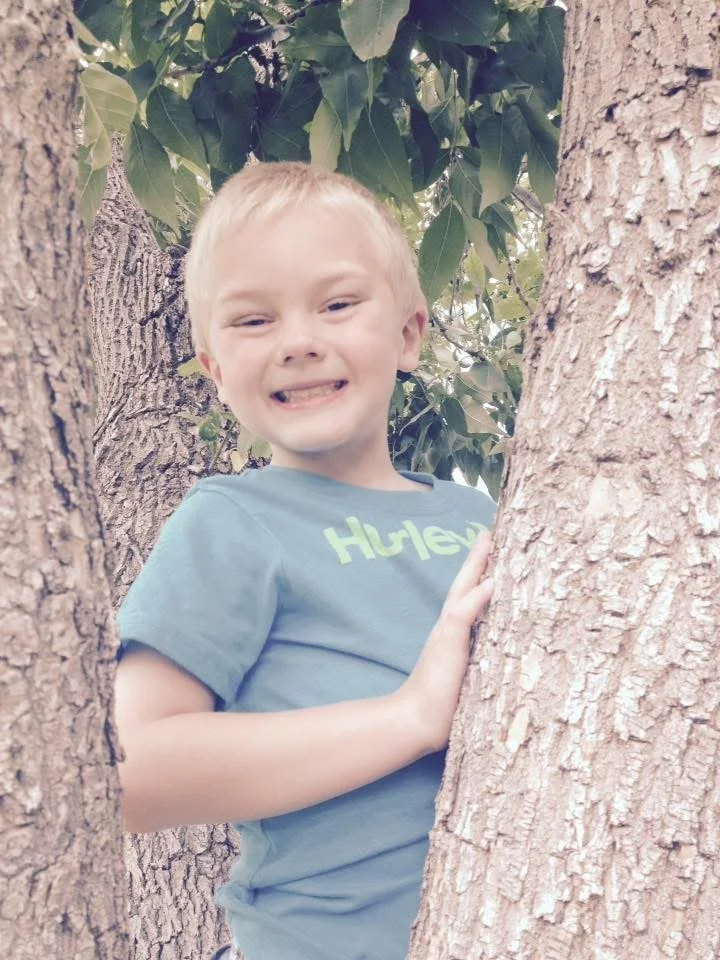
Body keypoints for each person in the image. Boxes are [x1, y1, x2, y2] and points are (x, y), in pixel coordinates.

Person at [115, 161, 496, 960]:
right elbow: (129, 771)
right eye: (253, 322)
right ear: (216, 372)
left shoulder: (484, 519)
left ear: (408, 335)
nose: (298, 342)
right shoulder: (234, 522)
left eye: (337, 303)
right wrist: (408, 718)